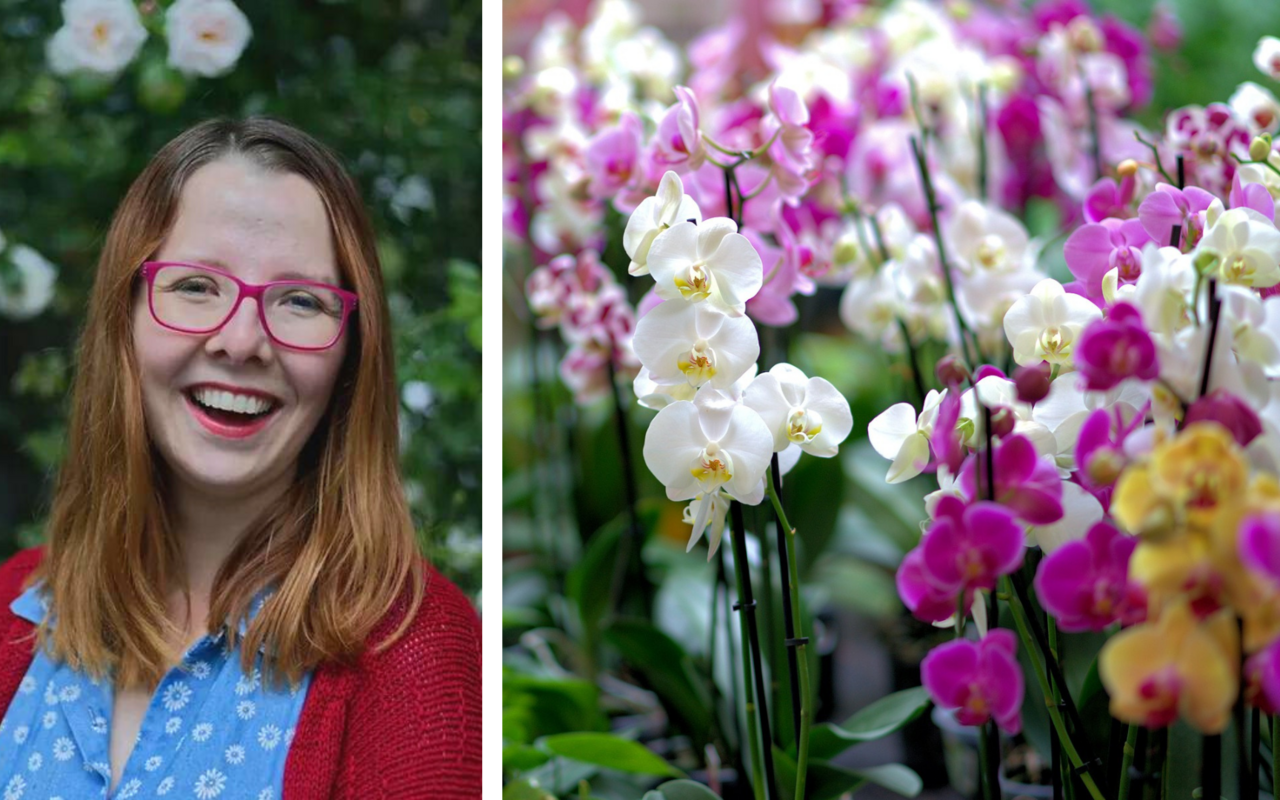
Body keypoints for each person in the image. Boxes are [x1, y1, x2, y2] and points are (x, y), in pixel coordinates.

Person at [0, 117, 481, 799]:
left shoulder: (420, 655)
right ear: (123, 318)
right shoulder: (13, 607)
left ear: (352, 355)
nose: (242, 340)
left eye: (301, 301)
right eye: (197, 287)